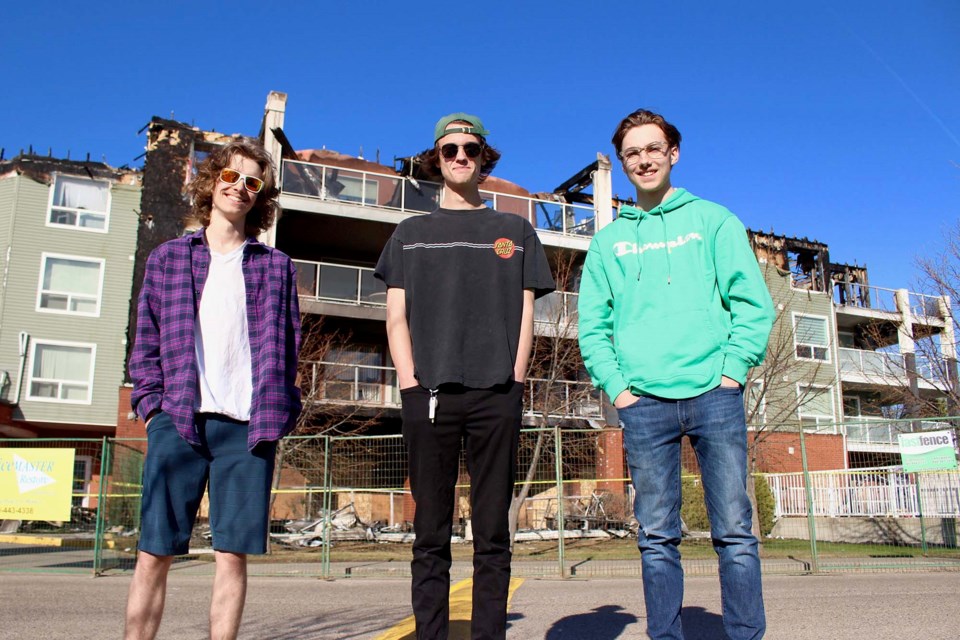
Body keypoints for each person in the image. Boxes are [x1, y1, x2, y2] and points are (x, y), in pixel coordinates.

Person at [578, 109, 774, 640]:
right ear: (623, 164)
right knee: (657, 536)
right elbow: (592, 327)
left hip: (716, 393)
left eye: (652, 148)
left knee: (734, 531)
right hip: (644, 402)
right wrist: (619, 388)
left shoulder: (713, 221)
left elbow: (753, 304)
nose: (643, 159)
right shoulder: (608, 243)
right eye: (632, 153)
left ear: (673, 153)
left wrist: (733, 371)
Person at [375, 113, 555, 639]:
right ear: (436, 157)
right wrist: (408, 383)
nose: (460, 157)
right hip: (427, 395)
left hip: (495, 394)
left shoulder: (513, 231)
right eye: (450, 149)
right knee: (430, 533)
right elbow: (395, 315)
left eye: (470, 149)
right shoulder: (410, 233)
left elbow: (527, 313)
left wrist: (515, 379)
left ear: (483, 158)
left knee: (492, 533)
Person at [125, 138, 302, 640]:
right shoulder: (168, 259)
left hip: (248, 429)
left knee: (232, 555)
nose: (241, 188)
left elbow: (289, 346)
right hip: (178, 420)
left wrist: (280, 410)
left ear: (260, 195)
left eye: (252, 182)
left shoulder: (275, 267)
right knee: (154, 551)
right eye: (231, 177)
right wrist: (153, 409)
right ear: (212, 182)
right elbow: (147, 342)